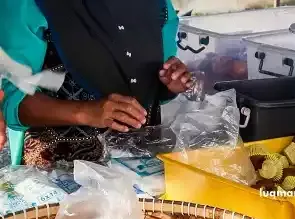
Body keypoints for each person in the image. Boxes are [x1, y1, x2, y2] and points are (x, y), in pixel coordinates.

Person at [0, 0, 192, 167]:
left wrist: (170, 83)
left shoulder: (156, 4)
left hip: (140, 165)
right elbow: (14, 99)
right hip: (59, 174)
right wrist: (85, 112)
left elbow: (157, 75)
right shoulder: (26, 3)